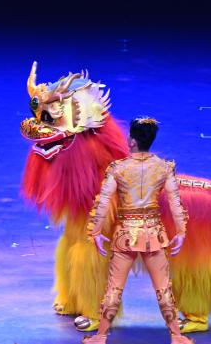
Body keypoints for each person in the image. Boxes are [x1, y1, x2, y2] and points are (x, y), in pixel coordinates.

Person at [84, 117, 194, 344]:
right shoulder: (164, 168)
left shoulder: (118, 168)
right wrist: (181, 231)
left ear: (132, 141)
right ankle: (176, 335)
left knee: (114, 288)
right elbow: (175, 202)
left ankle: (101, 336)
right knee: (163, 288)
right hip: (155, 234)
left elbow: (103, 202)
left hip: (125, 235)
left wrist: (95, 231)